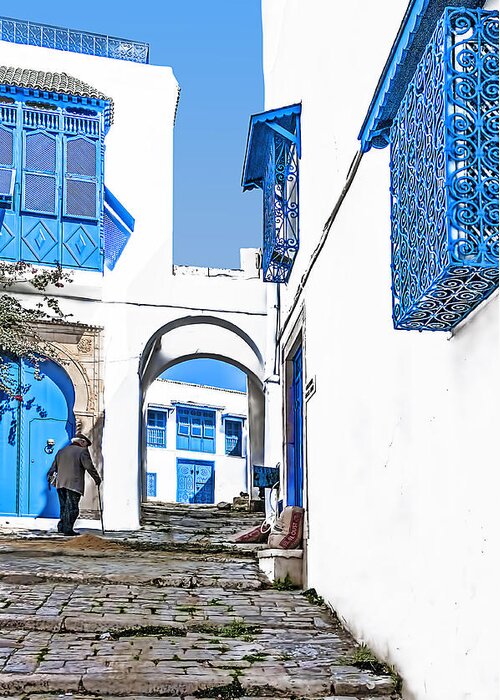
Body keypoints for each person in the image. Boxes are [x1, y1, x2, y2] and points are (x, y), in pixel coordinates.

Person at [47, 433, 102, 536]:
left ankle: (62, 527)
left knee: (64, 507)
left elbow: (53, 468)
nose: (87, 448)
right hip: (74, 484)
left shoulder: (61, 451)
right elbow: (89, 467)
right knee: (72, 508)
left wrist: (51, 479)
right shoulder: (82, 451)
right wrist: (97, 479)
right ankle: (68, 529)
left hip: (60, 483)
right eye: (86, 445)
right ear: (82, 442)